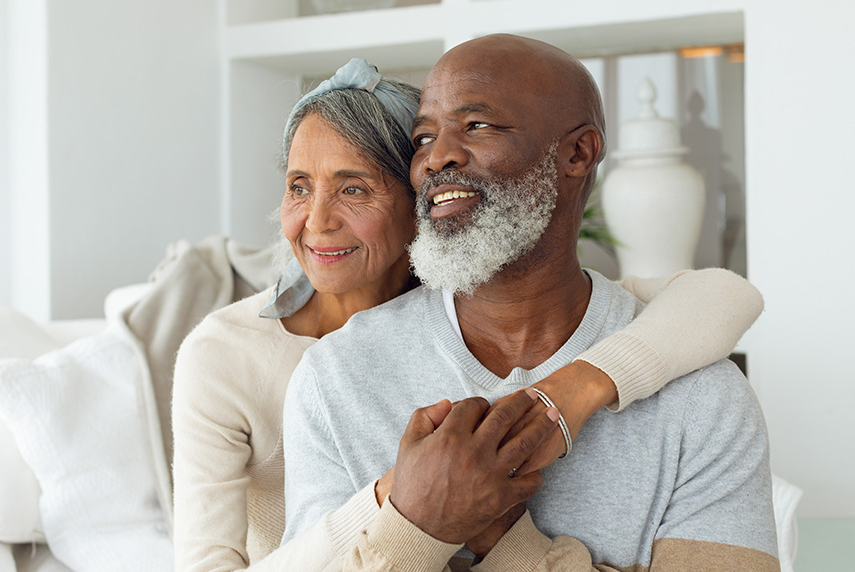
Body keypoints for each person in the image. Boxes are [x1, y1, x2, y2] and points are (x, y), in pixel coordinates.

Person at [172, 57, 765, 571]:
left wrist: (571, 395)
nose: (317, 220)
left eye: (354, 189)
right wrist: (409, 502)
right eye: (298, 185)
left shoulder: (684, 375)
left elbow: (722, 296)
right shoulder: (291, 367)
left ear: (417, 206)